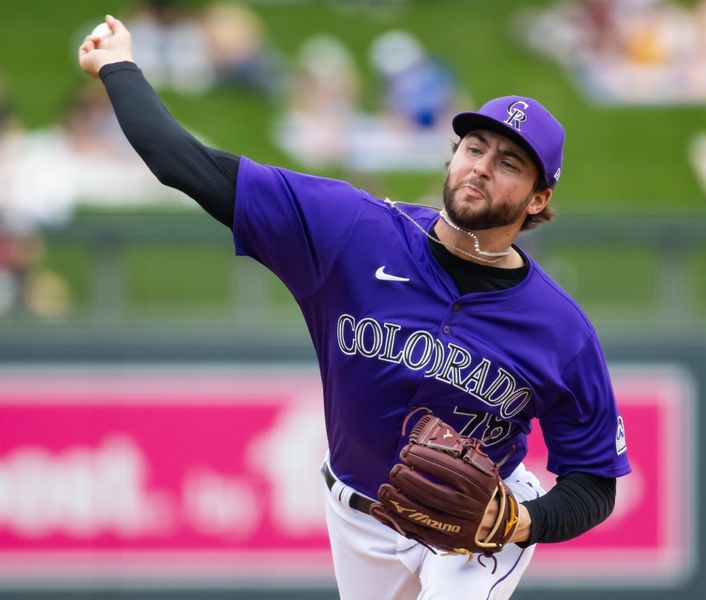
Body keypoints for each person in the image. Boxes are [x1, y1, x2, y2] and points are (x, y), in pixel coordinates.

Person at [79, 15, 631, 600]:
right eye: (474, 147)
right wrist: (117, 66)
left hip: (478, 525)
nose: (482, 167)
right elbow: (185, 164)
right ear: (451, 156)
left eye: (510, 163)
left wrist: (523, 522)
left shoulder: (561, 330)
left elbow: (594, 481)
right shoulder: (351, 229)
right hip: (356, 515)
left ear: (539, 199)